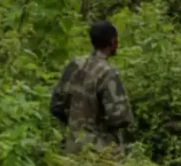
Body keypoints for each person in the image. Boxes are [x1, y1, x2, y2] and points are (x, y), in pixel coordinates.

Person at [50, 22, 133, 155]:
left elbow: (56, 106)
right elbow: (121, 117)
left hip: (71, 147)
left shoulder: (74, 65)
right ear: (113, 42)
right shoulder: (108, 73)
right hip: (101, 152)